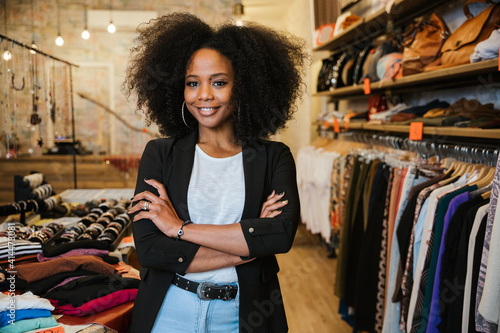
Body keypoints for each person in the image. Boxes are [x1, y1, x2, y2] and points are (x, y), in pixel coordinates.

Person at [125, 12, 307, 333]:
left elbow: (280, 235)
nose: (204, 95)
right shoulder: (160, 153)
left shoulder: (274, 157)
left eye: (219, 82)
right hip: (169, 311)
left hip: (243, 313)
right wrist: (249, 248)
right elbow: (152, 251)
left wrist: (179, 228)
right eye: (192, 83)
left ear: (245, 88)